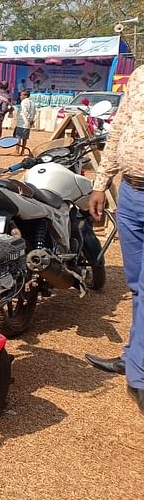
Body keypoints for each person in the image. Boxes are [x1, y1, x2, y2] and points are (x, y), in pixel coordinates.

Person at [87, 64, 144, 415]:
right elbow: (119, 127)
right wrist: (100, 181)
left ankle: (138, 374)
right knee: (137, 286)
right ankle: (134, 355)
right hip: (132, 194)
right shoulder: (139, 76)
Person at [14, 89, 36, 156]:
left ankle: (17, 151)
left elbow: (25, 111)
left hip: (22, 122)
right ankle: (22, 151)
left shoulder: (23, 102)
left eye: (21, 95)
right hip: (28, 124)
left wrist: (29, 119)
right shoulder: (32, 102)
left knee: (18, 137)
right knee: (24, 139)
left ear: (25, 95)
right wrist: (32, 120)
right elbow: (35, 112)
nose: (20, 96)